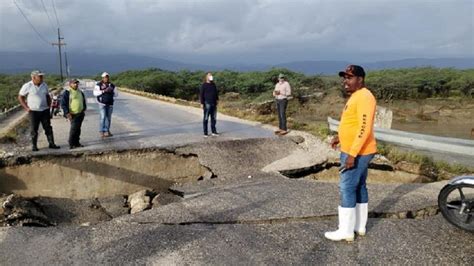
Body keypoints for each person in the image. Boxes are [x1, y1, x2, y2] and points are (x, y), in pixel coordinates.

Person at [325, 65, 377, 242]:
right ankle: (359, 227)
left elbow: (364, 128)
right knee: (359, 186)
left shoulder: (364, 97)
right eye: (344, 78)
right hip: (357, 149)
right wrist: (339, 137)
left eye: (349, 78)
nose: (345, 81)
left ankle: (345, 231)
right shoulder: (357, 96)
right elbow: (353, 124)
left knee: (347, 187)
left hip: (357, 152)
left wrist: (352, 154)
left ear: (360, 80)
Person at [18, 70, 60, 151]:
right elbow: (20, 97)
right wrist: (26, 108)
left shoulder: (44, 85)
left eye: (42, 76)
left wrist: (49, 105)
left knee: (48, 127)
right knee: (34, 129)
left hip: (44, 110)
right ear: (33, 77)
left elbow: (47, 95)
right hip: (33, 111)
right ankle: (34, 146)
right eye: (40, 76)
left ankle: (51, 144)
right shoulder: (28, 86)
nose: (42, 78)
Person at [61, 79, 87, 149]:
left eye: (76, 83)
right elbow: (63, 104)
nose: (76, 84)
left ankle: (77, 143)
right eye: (74, 83)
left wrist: (84, 109)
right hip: (72, 114)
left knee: (78, 129)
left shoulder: (80, 92)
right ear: (70, 84)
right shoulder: (67, 92)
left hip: (80, 113)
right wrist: (67, 113)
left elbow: (83, 101)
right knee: (74, 129)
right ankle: (71, 143)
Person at [93, 72, 117, 138]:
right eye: (104, 77)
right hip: (102, 103)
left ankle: (107, 131)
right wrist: (104, 91)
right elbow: (95, 93)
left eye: (107, 77)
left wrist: (111, 92)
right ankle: (101, 131)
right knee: (103, 117)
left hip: (110, 103)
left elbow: (116, 94)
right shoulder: (98, 85)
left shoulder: (112, 85)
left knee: (108, 118)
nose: (106, 78)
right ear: (102, 78)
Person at [200, 72, 219, 137]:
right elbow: (201, 94)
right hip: (207, 103)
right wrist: (202, 103)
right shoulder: (204, 85)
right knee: (206, 118)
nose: (211, 76)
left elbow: (216, 92)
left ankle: (214, 131)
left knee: (213, 118)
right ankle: (205, 133)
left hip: (214, 103)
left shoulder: (213, 84)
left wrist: (217, 100)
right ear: (206, 77)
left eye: (211, 75)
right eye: (209, 75)